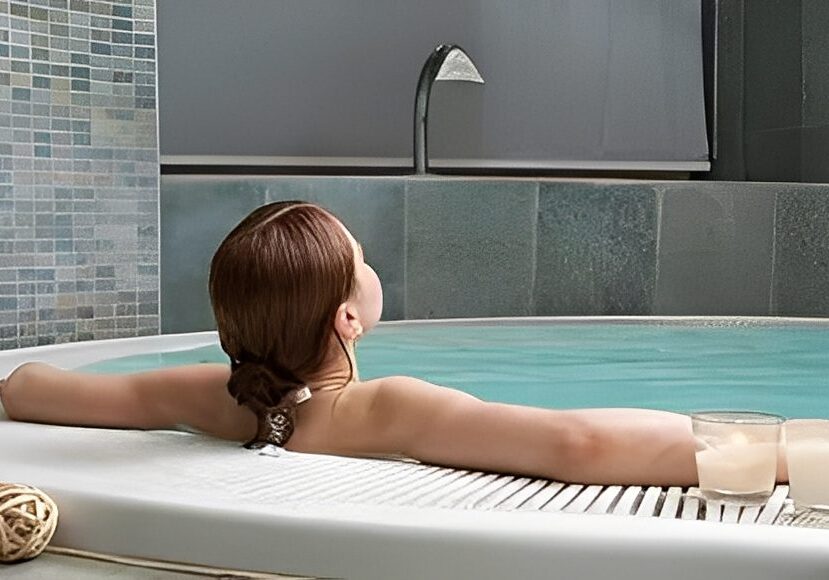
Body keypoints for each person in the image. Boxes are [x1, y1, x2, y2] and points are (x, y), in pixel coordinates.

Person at [0, 201, 787, 486]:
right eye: (361, 260)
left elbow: (32, 387)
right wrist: (779, 444)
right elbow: (576, 444)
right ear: (348, 318)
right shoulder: (388, 408)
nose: (371, 269)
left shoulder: (215, 398)